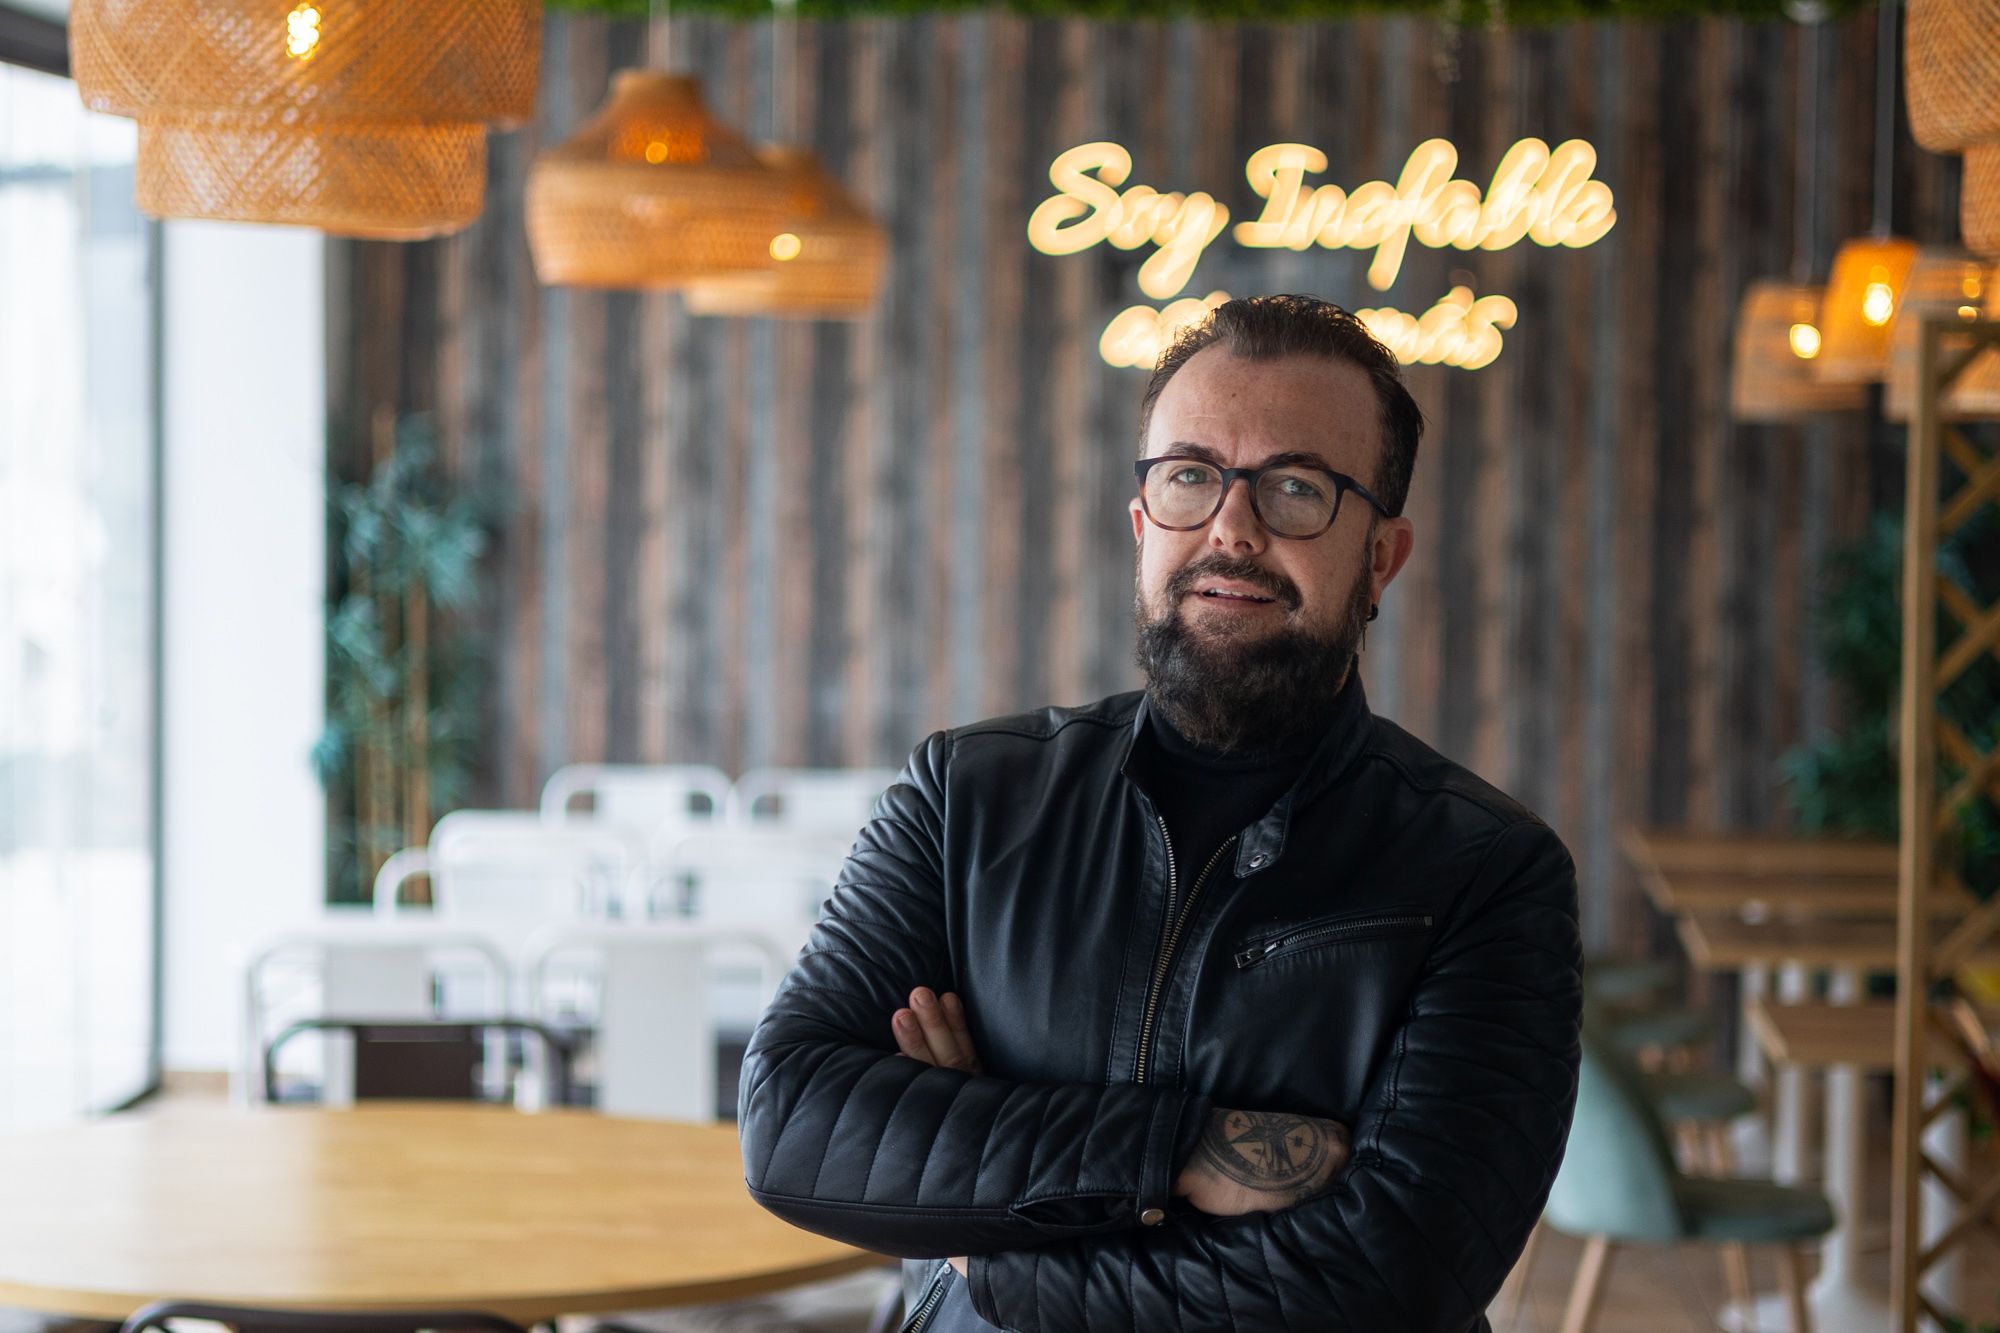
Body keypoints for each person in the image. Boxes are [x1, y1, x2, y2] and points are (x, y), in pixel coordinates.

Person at [738, 294, 1582, 1332]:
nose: (1231, 526)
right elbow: (792, 1125)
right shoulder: (964, 799)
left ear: (1378, 560)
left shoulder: (1484, 871)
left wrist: (981, 1240)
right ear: (1143, 525)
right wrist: (1181, 1150)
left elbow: (1386, 1276)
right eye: (1190, 476)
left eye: (1295, 487)